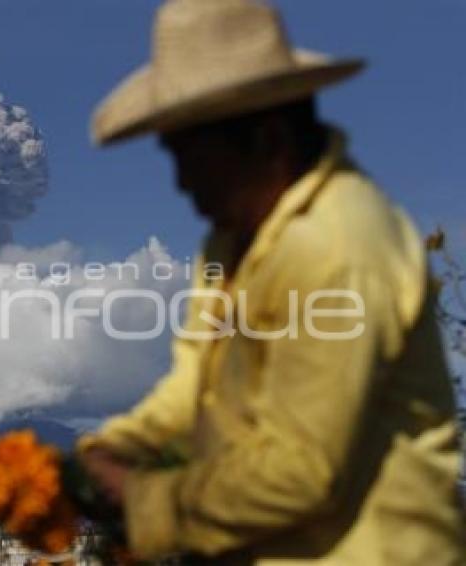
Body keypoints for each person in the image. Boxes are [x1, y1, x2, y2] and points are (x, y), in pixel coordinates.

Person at [76, 0, 466, 563]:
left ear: (267, 139)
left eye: (192, 155)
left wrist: (144, 501)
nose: (181, 181)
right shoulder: (228, 245)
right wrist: (114, 449)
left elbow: (302, 470)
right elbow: (193, 383)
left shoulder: (339, 245)